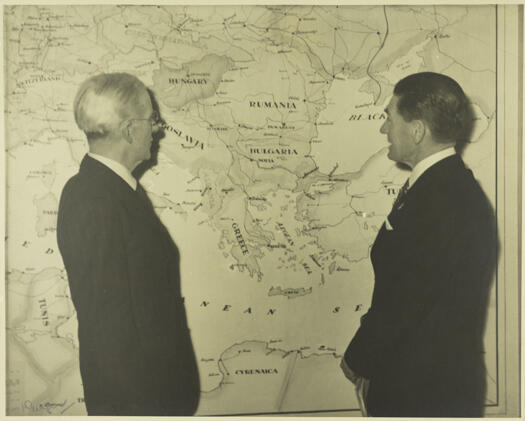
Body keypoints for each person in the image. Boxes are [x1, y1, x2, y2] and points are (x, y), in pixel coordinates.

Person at [340, 72, 497, 417]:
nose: (383, 129)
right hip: (424, 382)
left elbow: (405, 299)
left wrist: (359, 359)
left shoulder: (441, 197)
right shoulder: (442, 186)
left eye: (389, 117)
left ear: (417, 130)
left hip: (422, 392)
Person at [57, 73, 200, 415]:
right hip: (136, 401)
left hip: (149, 397)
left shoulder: (115, 190)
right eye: (152, 121)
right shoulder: (95, 197)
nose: (157, 129)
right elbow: (109, 326)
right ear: (130, 129)